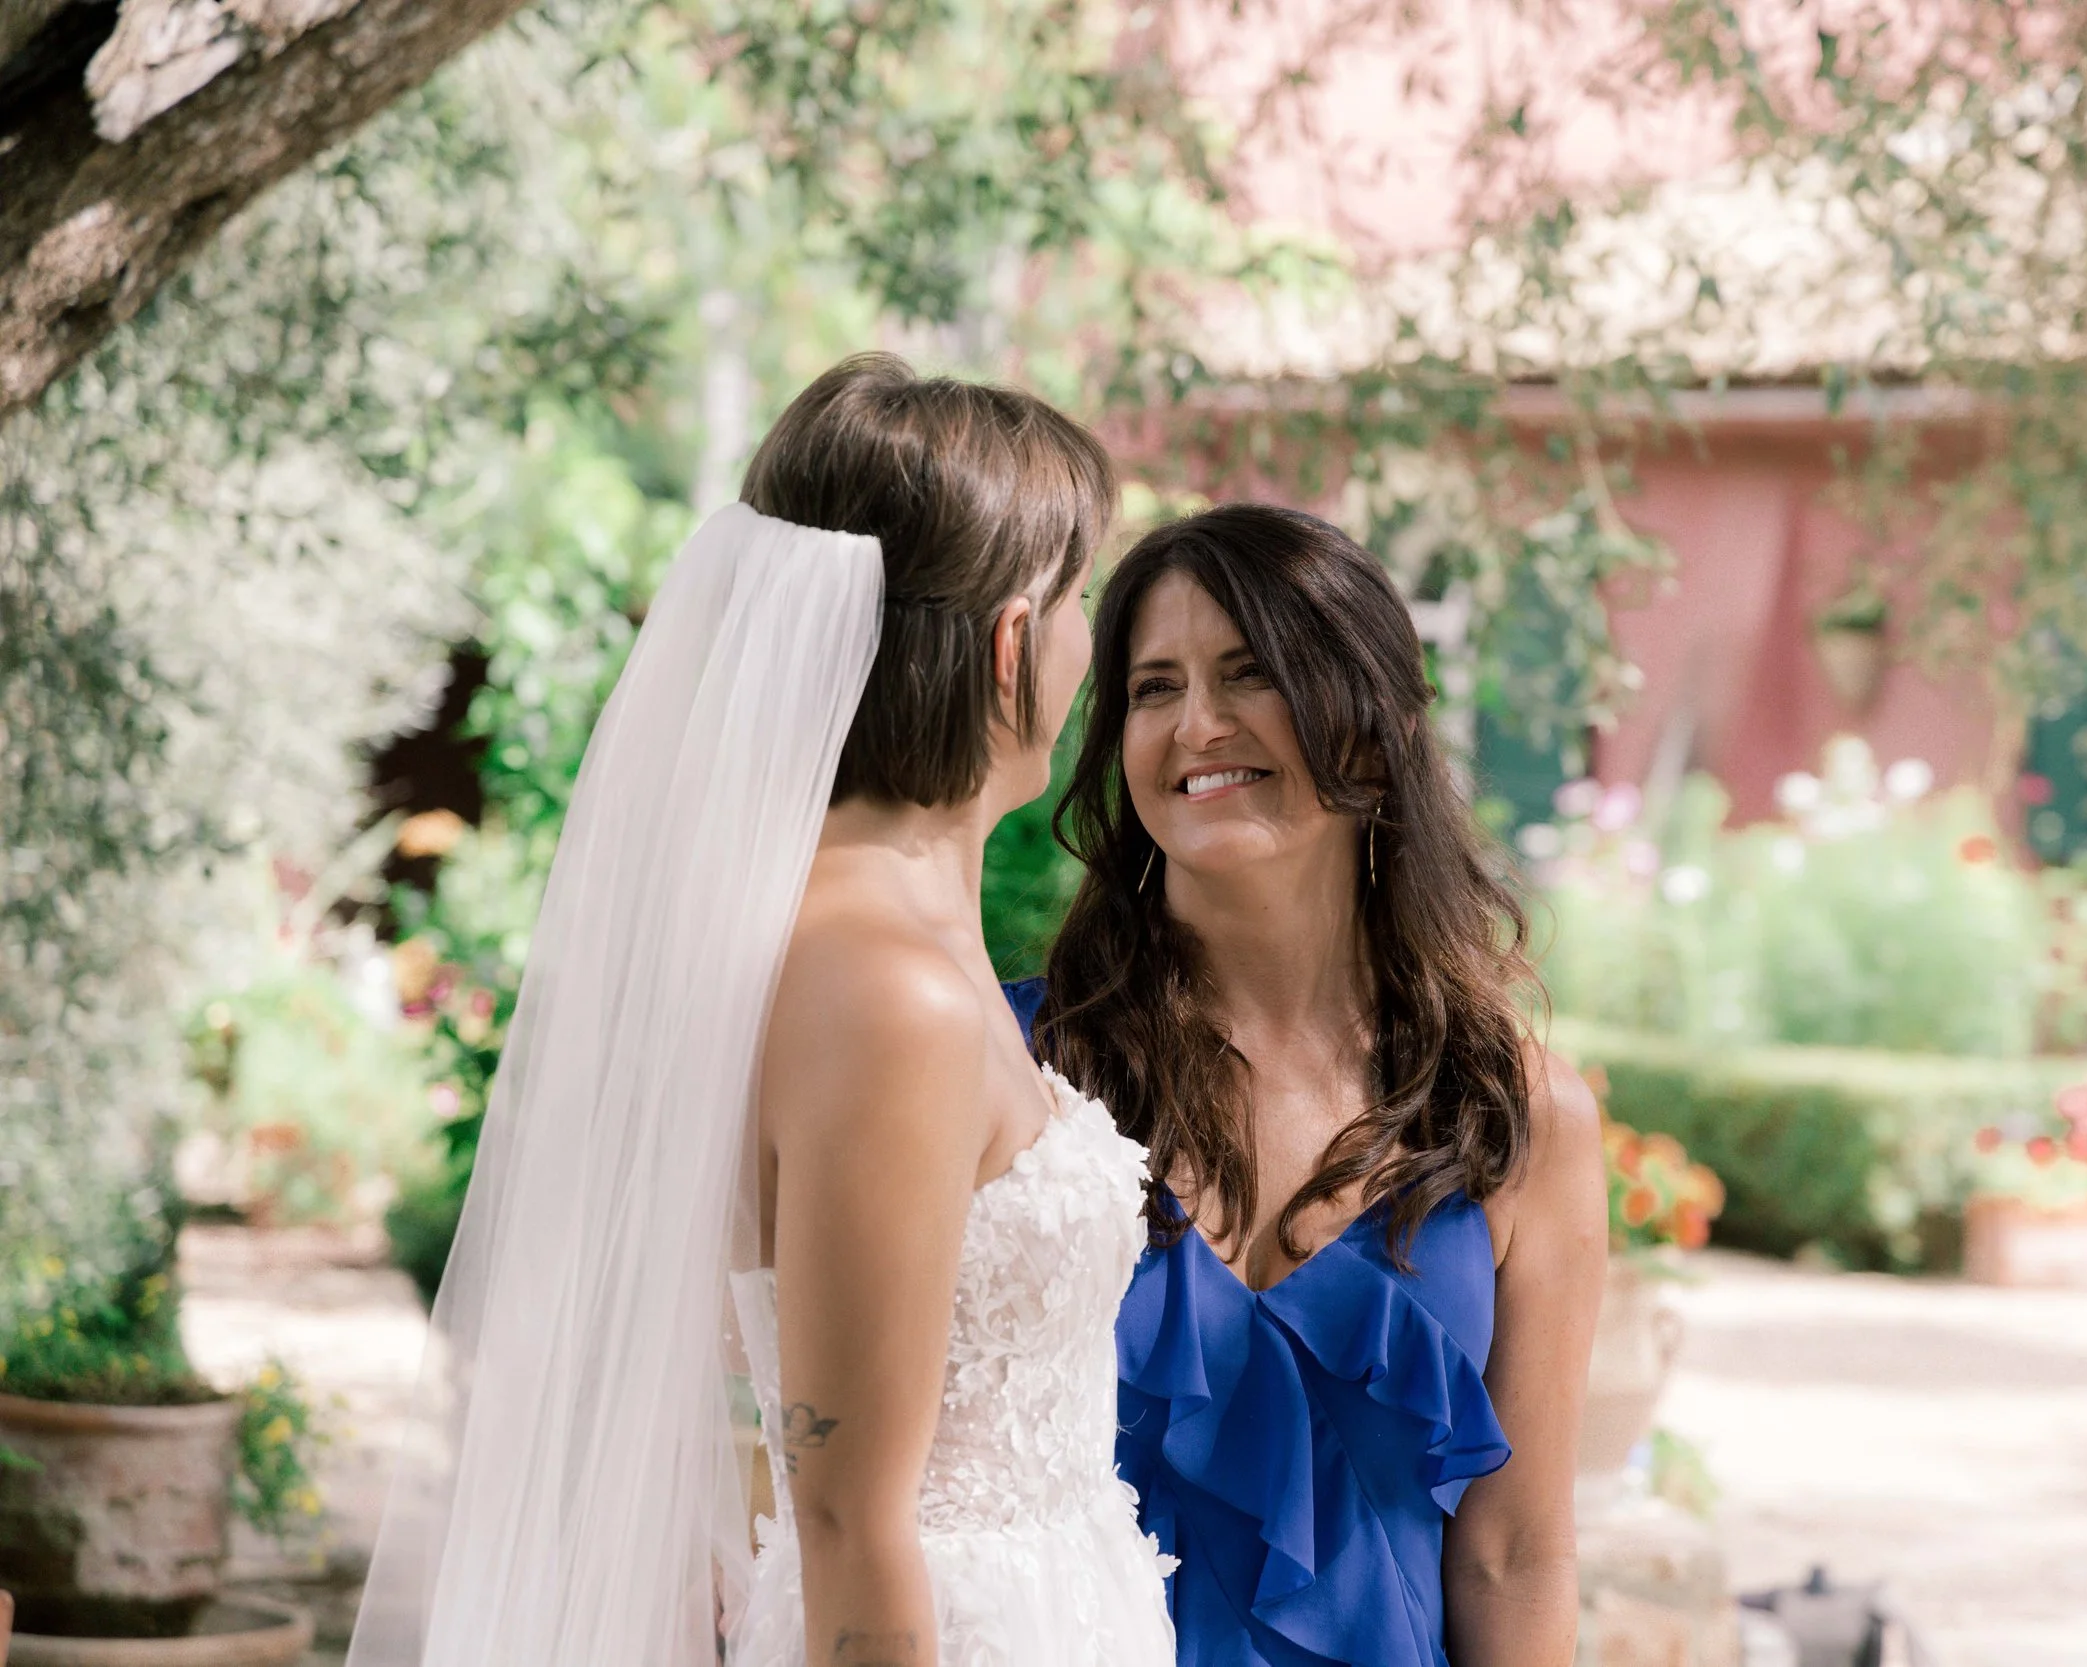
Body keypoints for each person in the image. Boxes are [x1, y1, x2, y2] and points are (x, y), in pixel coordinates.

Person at [346, 356, 1175, 1667]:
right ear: (1015, 637)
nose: (1097, 647)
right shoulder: (886, 991)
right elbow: (852, 1509)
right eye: (1086, 598)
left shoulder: (875, 932)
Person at [1031, 504, 1607, 1667]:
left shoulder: (1519, 1114)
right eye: (1152, 686)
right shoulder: (1016, 1067)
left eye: (1251, 673)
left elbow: (1516, 1553)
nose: (1198, 723)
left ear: (1374, 722)